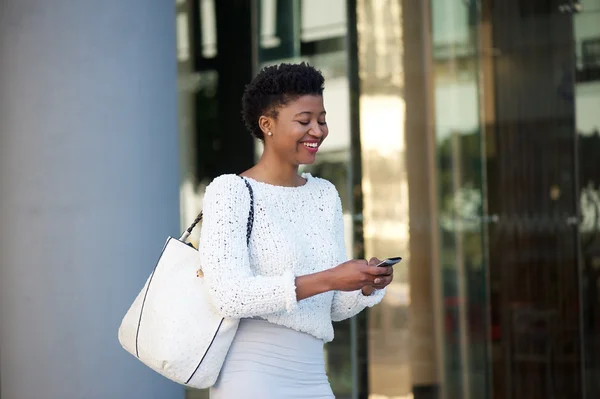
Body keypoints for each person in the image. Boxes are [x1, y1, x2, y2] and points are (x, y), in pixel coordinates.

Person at [198, 62, 394, 399]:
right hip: (251, 377)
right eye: (304, 121)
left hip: (313, 376)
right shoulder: (230, 191)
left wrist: (363, 285)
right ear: (267, 125)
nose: (317, 131)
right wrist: (331, 277)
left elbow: (329, 306)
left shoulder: (323, 194)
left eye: (321, 120)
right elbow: (229, 295)